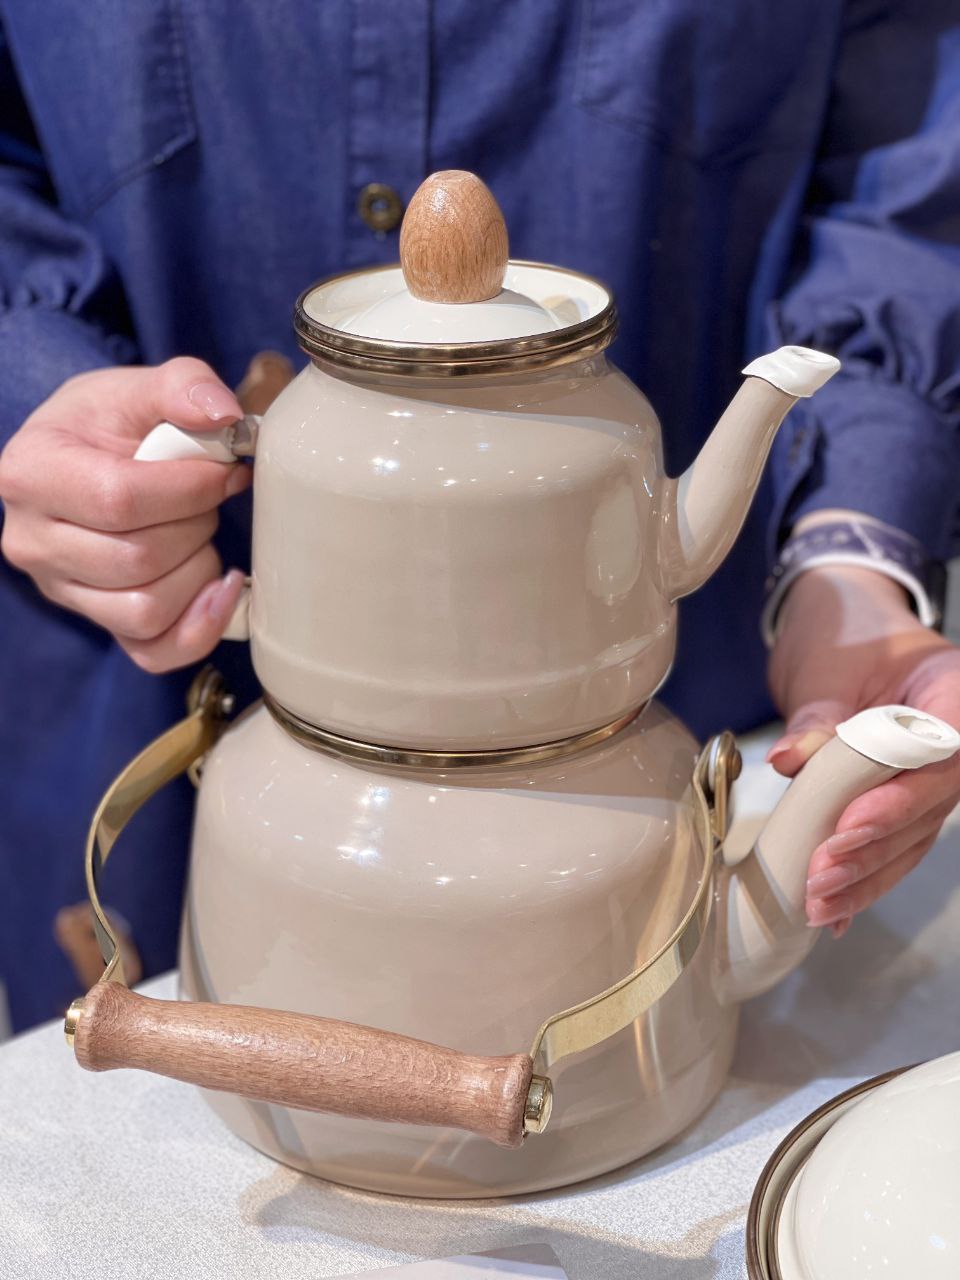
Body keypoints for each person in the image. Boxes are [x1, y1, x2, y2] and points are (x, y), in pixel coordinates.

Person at [0, 2, 958, 1032]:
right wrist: (35, 391)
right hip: (123, 676)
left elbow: (901, 157)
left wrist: (849, 563)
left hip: (660, 741)